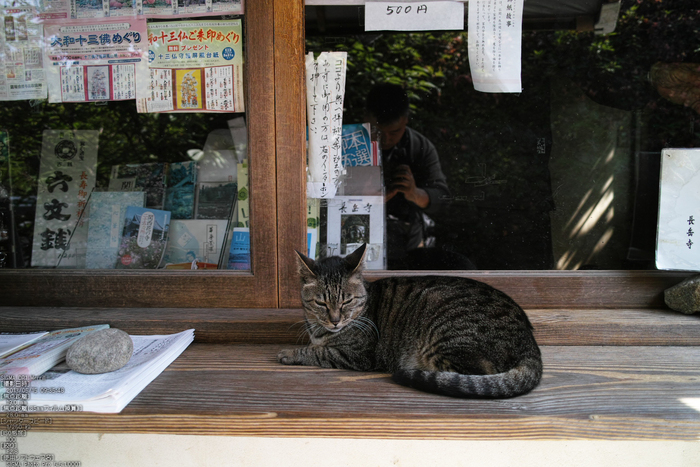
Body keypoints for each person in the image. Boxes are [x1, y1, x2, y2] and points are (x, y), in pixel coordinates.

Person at [365, 83, 454, 269]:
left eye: (394, 132)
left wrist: (415, 193)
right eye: (378, 132)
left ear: (405, 120)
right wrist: (374, 196)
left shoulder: (419, 147)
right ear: (366, 118)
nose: (386, 139)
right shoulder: (347, 141)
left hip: (407, 240)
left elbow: (443, 198)